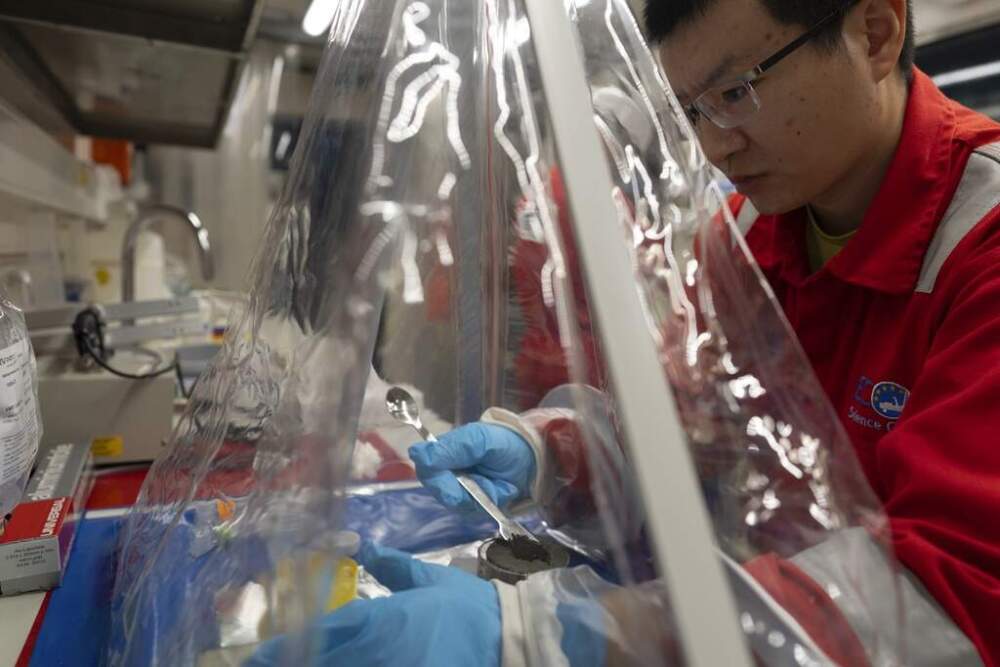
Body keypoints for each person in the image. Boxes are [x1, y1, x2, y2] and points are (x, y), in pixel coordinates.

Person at [253, 0, 1000, 664]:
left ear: (874, 32)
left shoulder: (981, 244)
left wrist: (563, 635)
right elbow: (683, 430)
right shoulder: (744, 237)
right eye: (691, 112)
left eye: (737, 93)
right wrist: (552, 447)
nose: (714, 147)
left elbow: (952, 592)